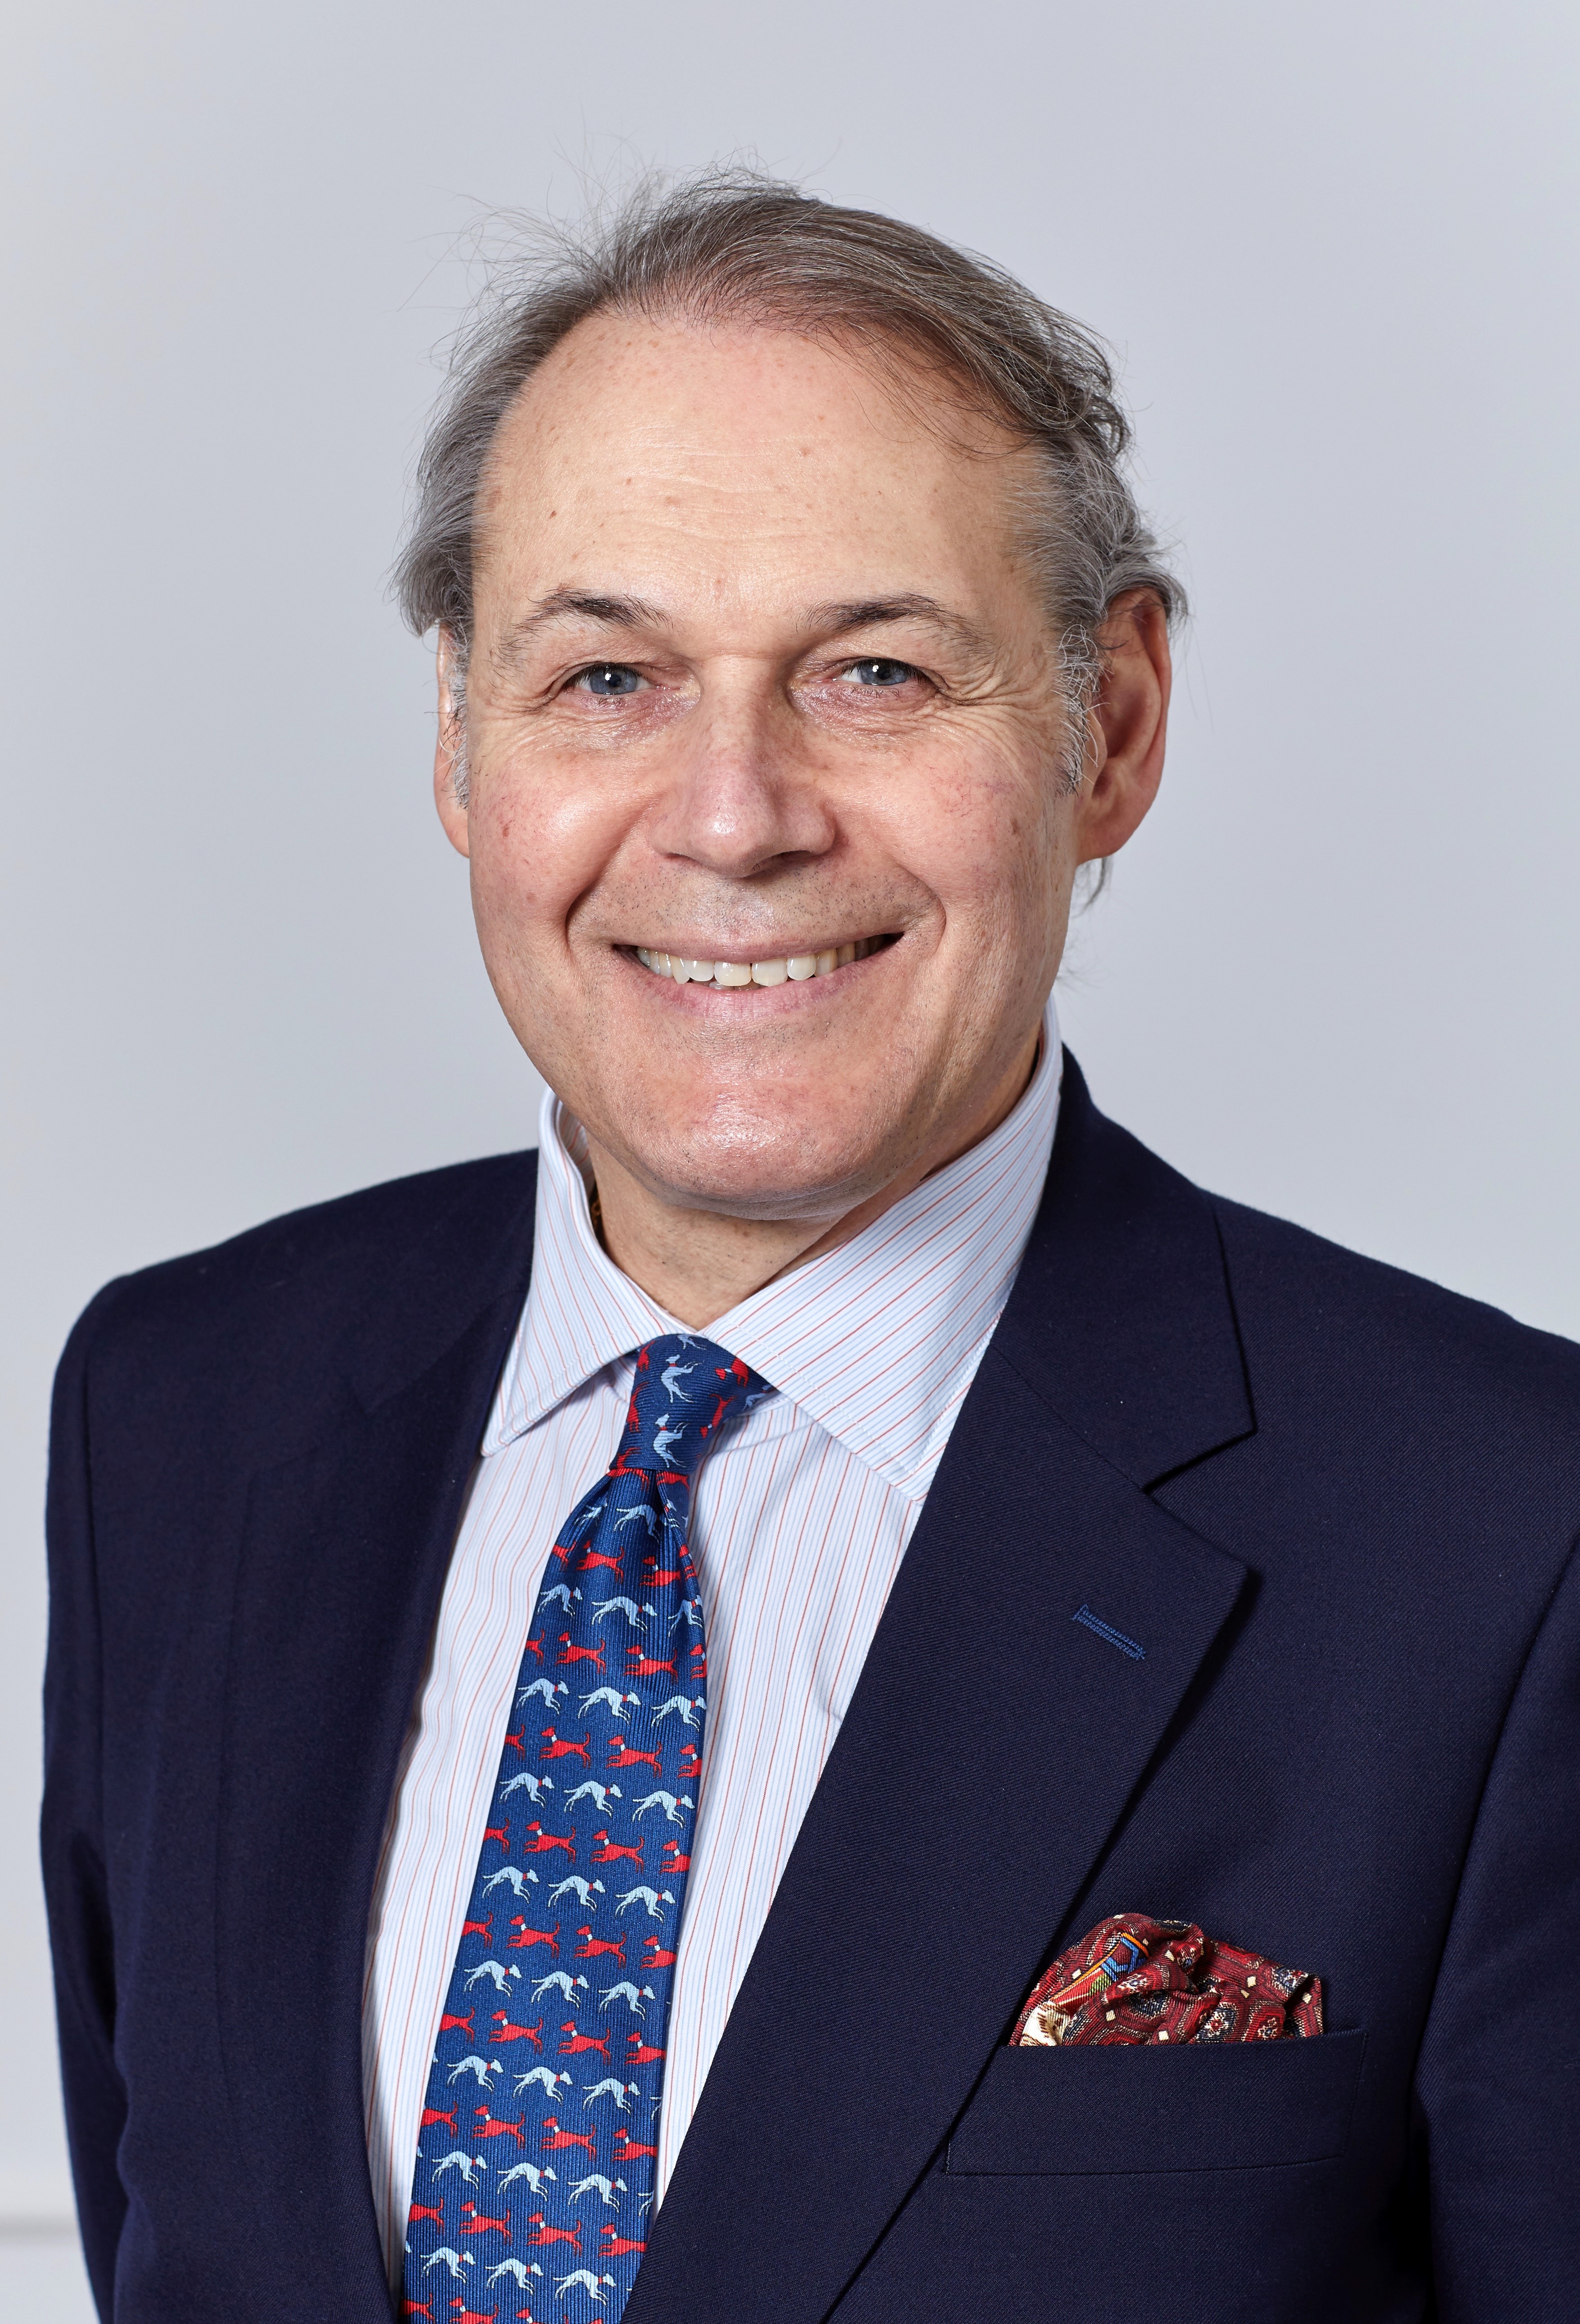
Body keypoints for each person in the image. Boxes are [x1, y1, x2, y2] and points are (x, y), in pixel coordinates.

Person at [43, 172, 1580, 2324]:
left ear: (1109, 726)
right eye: (605, 674)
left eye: (873, 668)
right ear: (462, 746)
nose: (736, 811)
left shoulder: (1505, 1534)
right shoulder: (180, 1410)